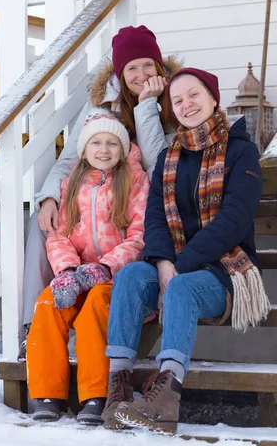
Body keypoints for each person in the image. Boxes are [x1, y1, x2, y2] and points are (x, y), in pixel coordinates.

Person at [101, 68, 270, 434]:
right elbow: (156, 219)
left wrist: (179, 266)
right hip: (174, 265)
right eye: (177, 100)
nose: (186, 104)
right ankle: (117, 390)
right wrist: (162, 263)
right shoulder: (168, 157)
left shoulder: (241, 151)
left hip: (224, 272)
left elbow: (235, 220)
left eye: (194, 95)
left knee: (180, 287)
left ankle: (166, 397)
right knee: (130, 275)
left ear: (213, 98)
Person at [19, 25, 180, 360]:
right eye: (131, 68)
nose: (140, 74)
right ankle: (33, 326)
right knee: (41, 222)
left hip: (139, 199)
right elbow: (69, 159)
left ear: (160, 67)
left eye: (147, 65)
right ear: (119, 74)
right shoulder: (99, 104)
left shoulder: (173, 99)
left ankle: (112, 295)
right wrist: (50, 197)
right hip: (93, 199)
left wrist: (147, 104)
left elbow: (156, 163)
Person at [26, 112, 150, 424]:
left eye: (112, 143)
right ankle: (46, 393)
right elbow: (58, 236)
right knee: (47, 302)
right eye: (96, 142)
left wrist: (105, 268)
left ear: (122, 149)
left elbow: (140, 236)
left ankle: (96, 394)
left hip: (118, 279)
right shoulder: (71, 185)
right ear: (84, 149)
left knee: (95, 306)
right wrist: (67, 271)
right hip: (77, 276)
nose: (104, 149)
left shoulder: (135, 181)